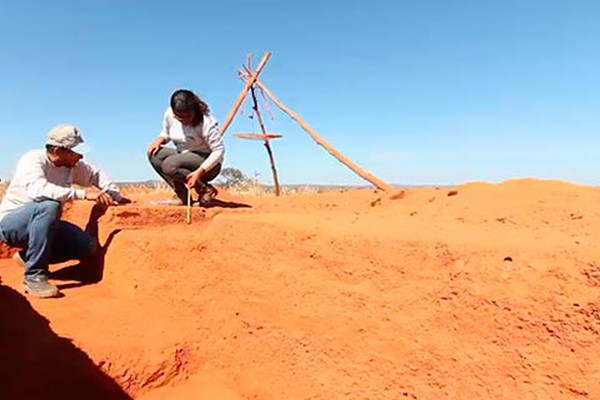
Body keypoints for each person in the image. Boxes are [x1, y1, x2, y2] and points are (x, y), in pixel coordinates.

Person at [0, 125, 131, 298]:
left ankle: (27, 258)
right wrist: (83, 194)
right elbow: (38, 190)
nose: (81, 156)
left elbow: (95, 175)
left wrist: (114, 194)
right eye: (75, 152)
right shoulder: (33, 159)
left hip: (47, 223)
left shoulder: (73, 165)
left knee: (88, 247)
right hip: (13, 224)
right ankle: (34, 276)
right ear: (57, 150)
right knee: (49, 205)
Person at [147, 89, 224, 206]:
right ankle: (182, 196)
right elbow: (167, 132)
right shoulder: (170, 114)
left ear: (195, 110)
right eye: (179, 117)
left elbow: (218, 151)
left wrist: (199, 172)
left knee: (169, 165)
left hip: (206, 162)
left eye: (187, 116)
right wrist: (159, 140)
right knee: (154, 154)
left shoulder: (206, 122)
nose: (183, 120)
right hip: (183, 155)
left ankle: (205, 189)